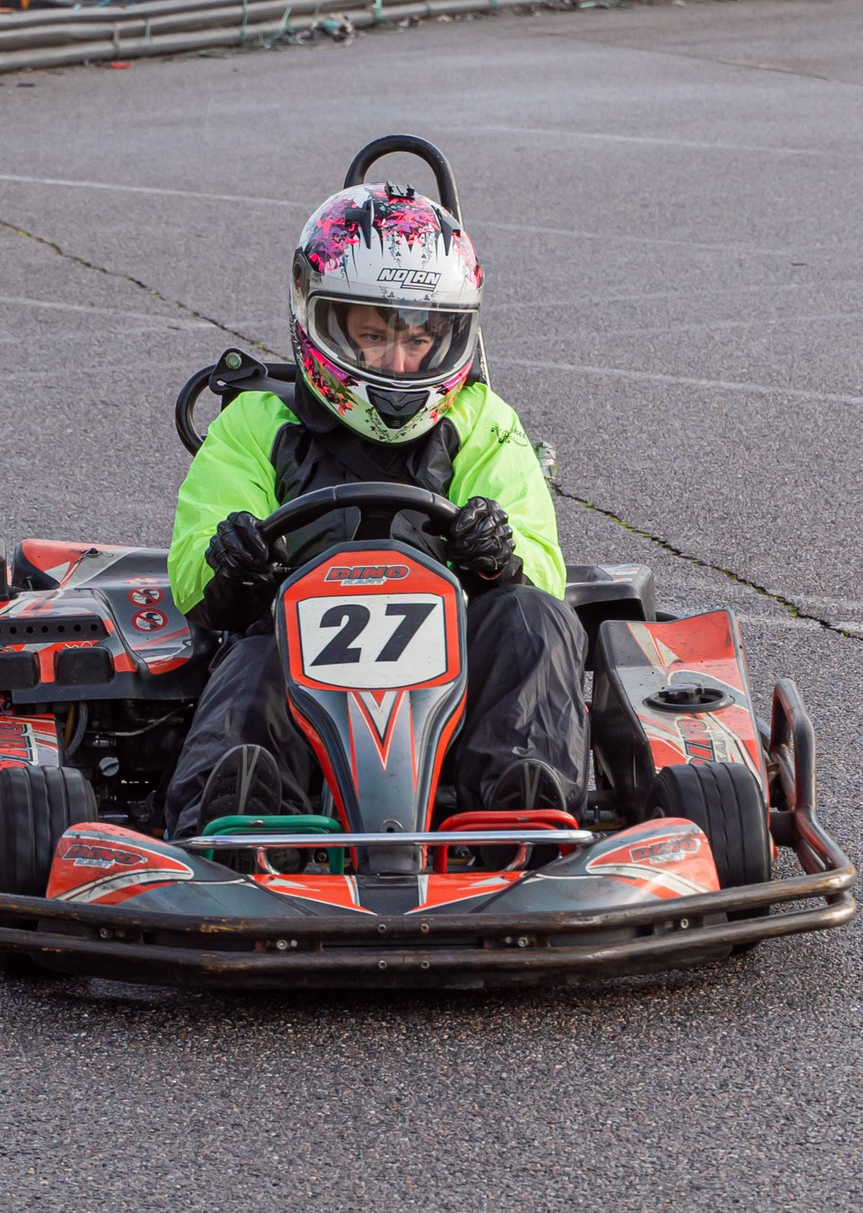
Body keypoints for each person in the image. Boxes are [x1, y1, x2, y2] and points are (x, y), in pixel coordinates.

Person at [162, 176, 587, 838]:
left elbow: (544, 562)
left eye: (418, 339)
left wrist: (499, 557)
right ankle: (240, 816)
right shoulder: (256, 423)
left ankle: (519, 804)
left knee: (534, 619)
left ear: (453, 336)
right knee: (253, 650)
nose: (394, 361)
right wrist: (232, 559)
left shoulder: (481, 421)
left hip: (454, 687)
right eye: (369, 334)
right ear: (318, 319)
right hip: (299, 674)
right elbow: (191, 571)